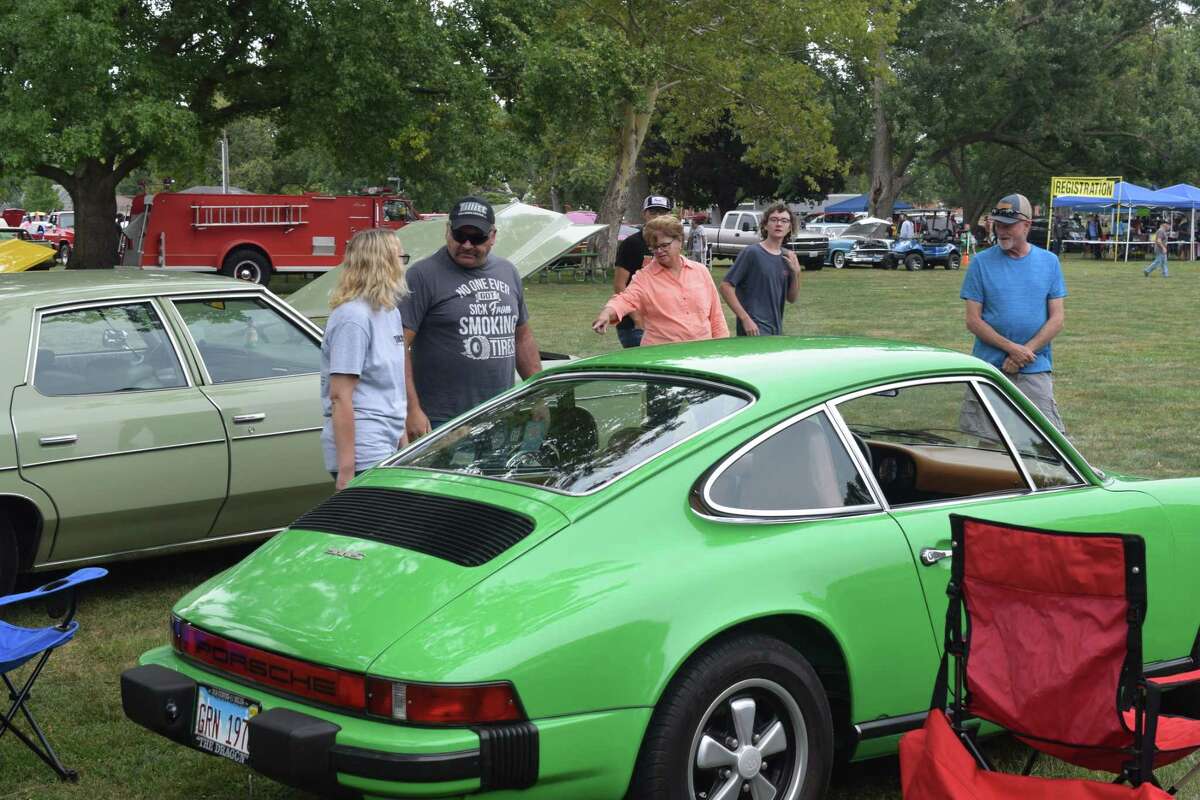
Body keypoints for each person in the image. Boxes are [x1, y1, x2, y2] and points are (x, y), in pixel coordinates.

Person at [400, 196, 542, 439]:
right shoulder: (422, 276)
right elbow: (398, 346)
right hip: (442, 421)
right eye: (459, 235)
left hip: (499, 414)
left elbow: (522, 338)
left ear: (493, 236)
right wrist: (412, 410)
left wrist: (538, 394)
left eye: (476, 238)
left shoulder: (508, 272)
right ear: (447, 231)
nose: (466, 245)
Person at [961, 193, 1068, 432]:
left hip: (1034, 368)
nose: (1001, 231)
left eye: (1008, 225)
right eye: (998, 225)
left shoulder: (1049, 262)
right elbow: (973, 321)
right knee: (989, 444)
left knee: (1044, 441)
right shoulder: (980, 263)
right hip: (989, 370)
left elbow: (1057, 319)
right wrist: (1012, 349)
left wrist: (1024, 353)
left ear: (1027, 225)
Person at [321, 229, 410, 490]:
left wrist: (404, 443)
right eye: (400, 257)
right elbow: (340, 396)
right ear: (382, 263)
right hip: (364, 445)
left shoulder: (390, 312)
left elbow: (392, 385)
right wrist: (347, 470)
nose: (403, 265)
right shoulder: (353, 318)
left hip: (388, 438)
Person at [592, 215, 729, 344]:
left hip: (701, 353)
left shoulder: (701, 271)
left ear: (680, 240)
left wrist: (721, 348)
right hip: (662, 354)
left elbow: (716, 316)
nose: (659, 251)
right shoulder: (644, 277)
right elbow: (624, 300)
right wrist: (606, 314)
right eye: (654, 247)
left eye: (664, 245)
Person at [718, 202, 803, 336]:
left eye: (784, 221)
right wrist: (745, 319)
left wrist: (796, 273)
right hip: (754, 331)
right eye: (774, 219)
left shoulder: (787, 257)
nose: (779, 224)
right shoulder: (752, 253)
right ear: (765, 225)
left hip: (775, 330)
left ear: (789, 227)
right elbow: (725, 286)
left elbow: (791, 298)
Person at [612, 194, 672, 348]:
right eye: (653, 212)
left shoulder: (672, 244)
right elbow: (619, 286)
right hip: (636, 325)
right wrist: (637, 318)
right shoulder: (632, 243)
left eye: (662, 212)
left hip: (662, 321)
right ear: (644, 214)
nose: (658, 216)